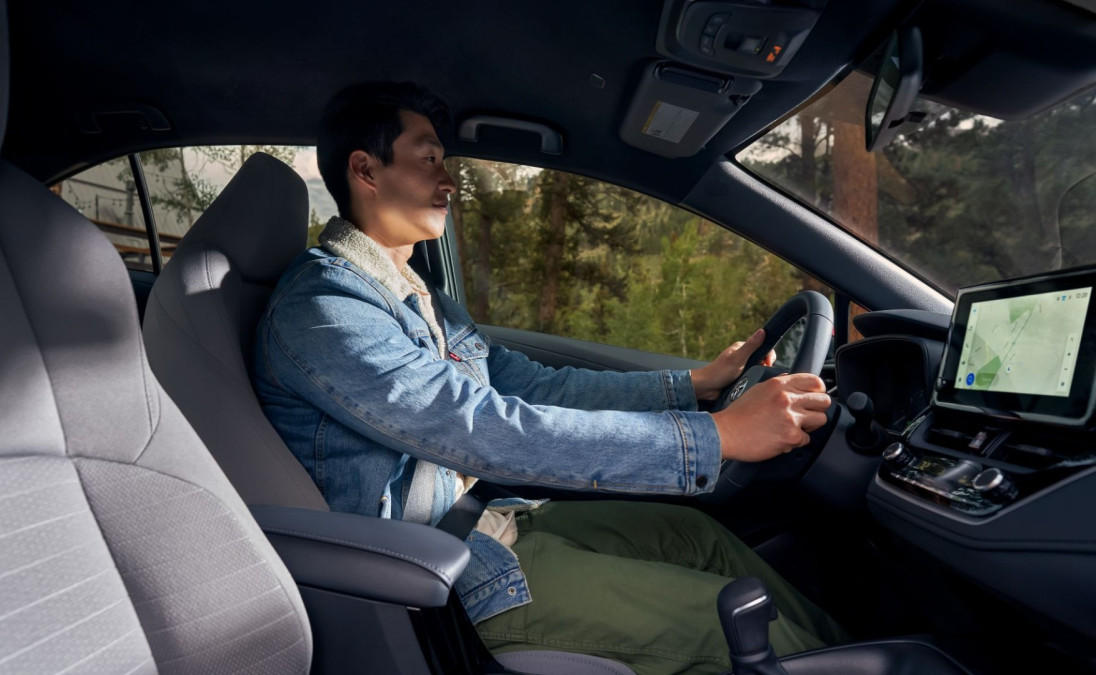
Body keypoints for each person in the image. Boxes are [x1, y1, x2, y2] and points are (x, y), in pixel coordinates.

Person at [252, 82, 847, 674]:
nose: (449, 180)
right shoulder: (324, 309)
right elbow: (481, 428)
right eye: (429, 158)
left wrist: (693, 386)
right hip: (446, 575)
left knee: (697, 537)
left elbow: (532, 388)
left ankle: (853, 656)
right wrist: (718, 436)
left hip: (493, 520)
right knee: (721, 622)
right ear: (366, 169)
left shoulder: (415, 297)